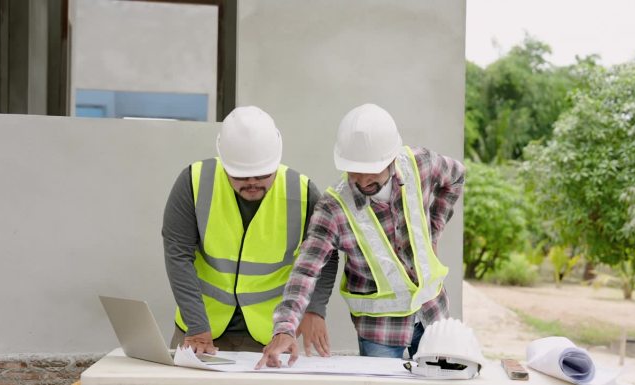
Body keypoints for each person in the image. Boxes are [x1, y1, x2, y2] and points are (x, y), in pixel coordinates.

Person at [256, 103, 465, 368]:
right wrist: (285, 328)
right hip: (380, 333)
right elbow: (305, 271)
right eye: (354, 169)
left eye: (372, 169)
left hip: (433, 314)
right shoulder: (333, 208)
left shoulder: (419, 164)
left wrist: (434, 229)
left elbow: (456, 177)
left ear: (391, 158)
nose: (363, 179)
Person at [163, 106, 337, 355]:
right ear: (224, 162)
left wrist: (314, 309)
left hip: (269, 334)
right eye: (241, 176)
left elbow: (326, 257)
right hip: (200, 328)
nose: (252, 183)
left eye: (263, 174)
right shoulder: (194, 182)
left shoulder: (302, 192)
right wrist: (197, 326)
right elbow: (177, 255)